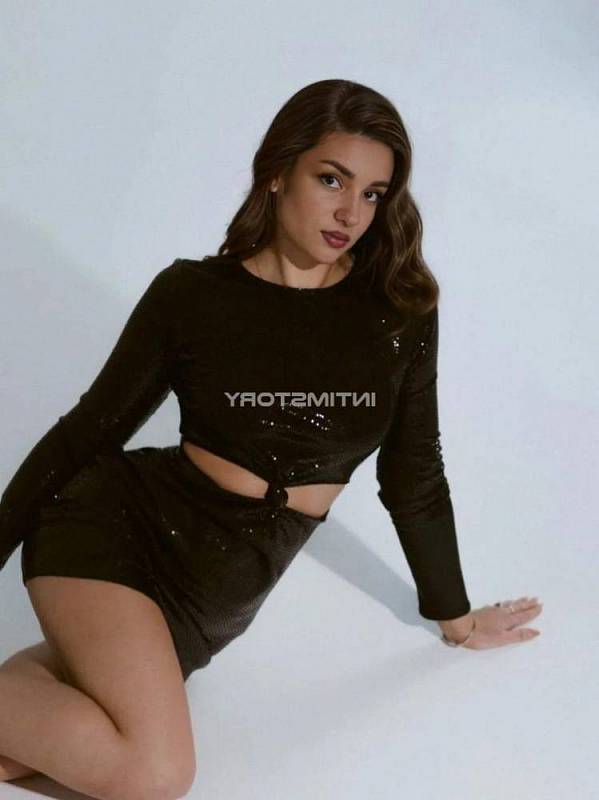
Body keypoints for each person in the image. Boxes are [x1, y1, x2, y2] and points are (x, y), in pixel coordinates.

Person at [0, 79, 542, 794]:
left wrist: (455, 616)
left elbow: (413, 471)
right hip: (114, 539)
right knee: (153, 774)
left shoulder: (397, 312)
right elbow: (87, 433)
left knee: (34, 755)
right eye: (331, 179)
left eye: (373, 193)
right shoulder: (193, 295)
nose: (350, 213)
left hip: (210, 600)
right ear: (279, 171)